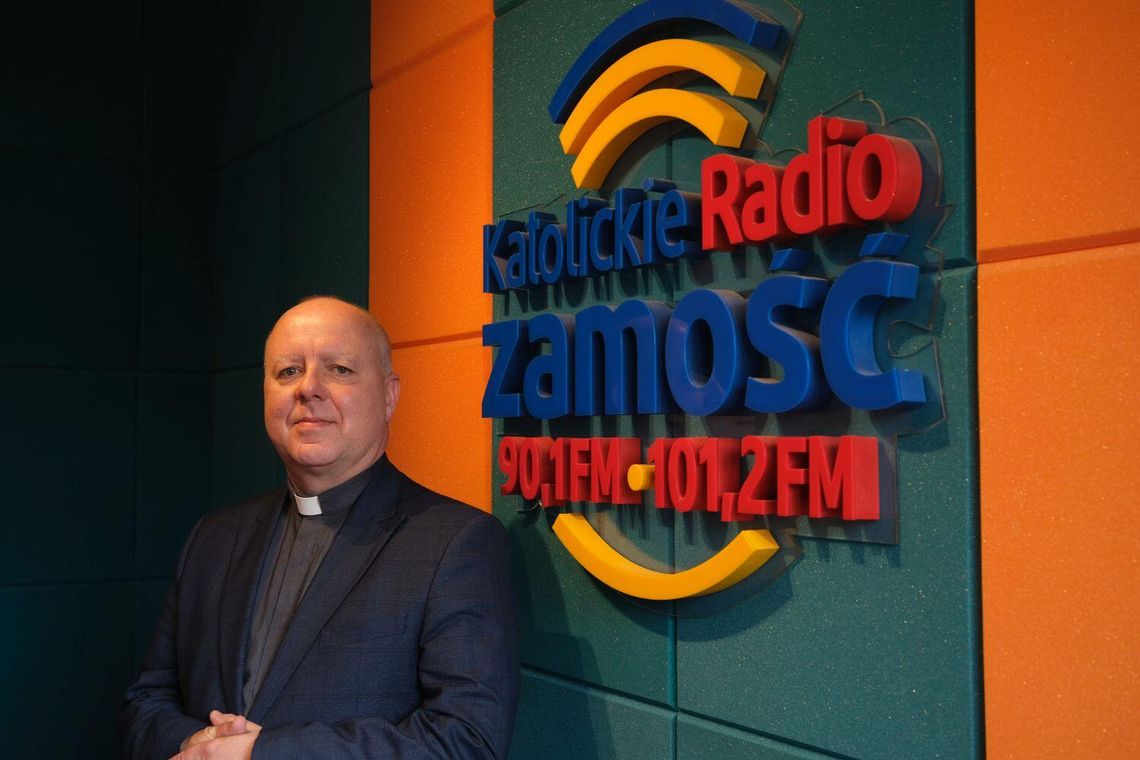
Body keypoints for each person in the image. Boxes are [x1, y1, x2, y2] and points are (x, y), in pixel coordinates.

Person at [121, 296, 519, 759]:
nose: (308, 388)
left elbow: (467, 740)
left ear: (389, 396)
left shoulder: (455, 543)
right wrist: (195, 745)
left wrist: (260, 754)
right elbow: (146, 701)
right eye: (288, 371)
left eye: (339, 370)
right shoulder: (213, 537)